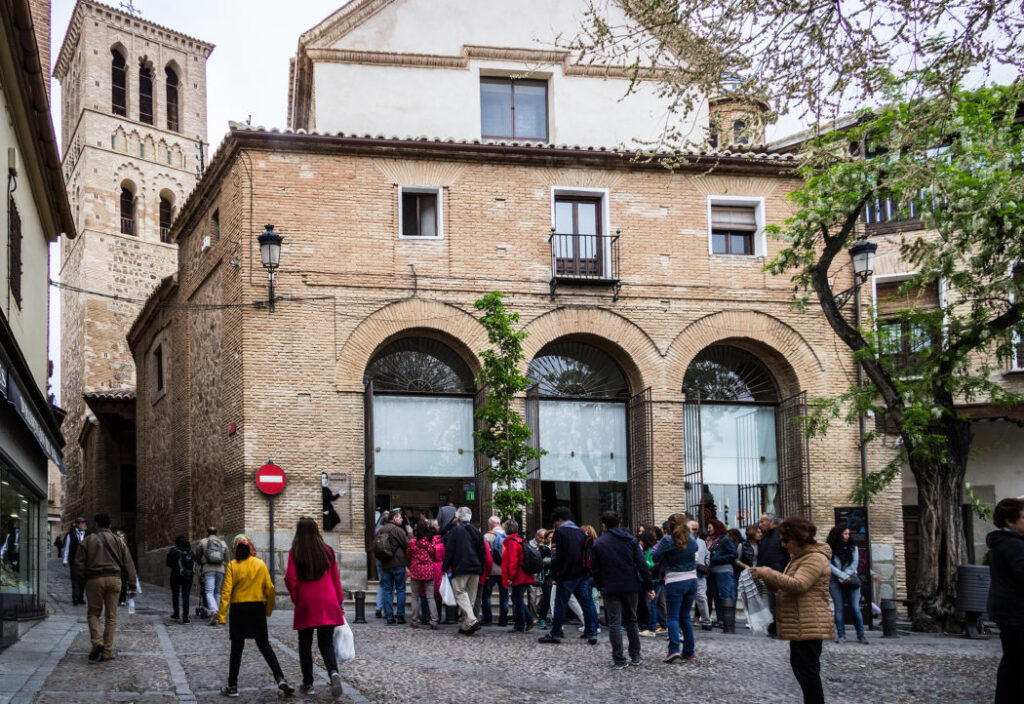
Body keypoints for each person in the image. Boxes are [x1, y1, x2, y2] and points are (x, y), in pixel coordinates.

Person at [748, 517, 833, 704]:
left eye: (786, 540)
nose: (783, 544)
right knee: (802, 669)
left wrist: (769, 573)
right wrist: (764, 580)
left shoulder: (814, 558)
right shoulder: (799, 558)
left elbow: (799, 585)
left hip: (809, 622)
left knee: (808, 672)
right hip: (800, 622)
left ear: (799, 539)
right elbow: (786, 586)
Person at [217, 535, 294, 697]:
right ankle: (280, 677)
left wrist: (222, 616)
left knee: (237, 648)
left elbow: (226, 592)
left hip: (238, 610)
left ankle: (232, 686)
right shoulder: (259, 564)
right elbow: (270, 589)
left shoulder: (232, 565)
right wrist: (268, 610)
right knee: (264, 645)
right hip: (257, 609)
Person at [284, 518, 344, 698]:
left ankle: (308, 683)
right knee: (326, 643)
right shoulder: (328, 551)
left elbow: (290, 579)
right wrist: (340, 602)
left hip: (307, 602)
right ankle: (333, 673)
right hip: (328, 600)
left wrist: (296, 598)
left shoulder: (296, 552)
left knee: (305, 644)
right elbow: (335, 579)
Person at [590, 510, 653, 669]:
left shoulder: (599, 543)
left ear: (604, 525)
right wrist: (649, 586)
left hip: (610, 587)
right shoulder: (631, 541)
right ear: (619, 523)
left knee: (615, 623)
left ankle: (619, 658)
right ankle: (636, 655)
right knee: (632, 620)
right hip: (631, 585)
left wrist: (599, 586)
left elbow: (595, 570)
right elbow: (642, 564)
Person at [74, 512, 137, 662]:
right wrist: (132, 585)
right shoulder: (118, 541)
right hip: (115, 580)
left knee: (93, 614)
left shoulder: (88, 540)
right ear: (109, 525)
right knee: (111, 616)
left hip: (94, 580)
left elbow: (78, 563)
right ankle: (107, 650)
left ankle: (97, 641)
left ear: (96, 524)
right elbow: (129, 564)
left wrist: (84, 580)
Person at [538, 507, 600, 645]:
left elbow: (555, 555)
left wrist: (555, 575)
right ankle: (592, 632)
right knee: (587, 602)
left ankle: (555, 634)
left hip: (566, 574)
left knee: (560, 604)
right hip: (582, 573)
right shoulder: (581, 532)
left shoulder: (560, 532)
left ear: (559, 520)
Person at [987, 497, 1024, 703]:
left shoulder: (1004, 542)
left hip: (1008, 610)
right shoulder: (1013, 545)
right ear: (1010, 521)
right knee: (1016, 663)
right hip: (1017, 612)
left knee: (1012, 661)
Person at [653, 514, 699, 663]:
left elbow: (656, 557)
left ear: (670, 526)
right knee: (685, 616)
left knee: (672, 617)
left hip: (675, 580)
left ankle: (674, 650)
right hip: (692, 579)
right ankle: (689, 650)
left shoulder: (667, 540)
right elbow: (695, 548)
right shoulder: (691, 539)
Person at [441, 506, 486, 635]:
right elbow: (482, 551)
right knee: (470, 597)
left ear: (458, 517)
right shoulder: (476, 531)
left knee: (460, 592)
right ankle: (466, 626)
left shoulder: (456, 531)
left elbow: (449, 551)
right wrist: (481, 567)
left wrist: (445, 568)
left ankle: (471, 620)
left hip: (461, 567)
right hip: (475, 568)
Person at [826, 524, 867, 644]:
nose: (847, 536)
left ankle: (861, 635)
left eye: (849, 534)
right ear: (838, 534)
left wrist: (847, 575)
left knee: (855, 608)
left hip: (851, 579)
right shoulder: (829, 548)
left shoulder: (853, 547)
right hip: (835, 580)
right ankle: (841, 634)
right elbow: (828, 564)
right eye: (845, 533)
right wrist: (842, 576)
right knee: (839, 608)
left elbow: (855, 563)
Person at [500, 518, 536, 632]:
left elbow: (512, 561)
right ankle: (529, 619)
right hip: (524, 575)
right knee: (517, 599)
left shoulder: (511, 542)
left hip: (518, 576)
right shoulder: (519, 540)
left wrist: (510, 577)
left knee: (517, 600)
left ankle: (521, 624)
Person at [757, 512, 789, 635]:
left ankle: (779, 627)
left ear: (771, 522)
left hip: (778, 574)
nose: (760, 524)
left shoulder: (780, 536)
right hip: (767, 575)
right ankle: (774, 627)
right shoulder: (766, 537)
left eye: (762, 521)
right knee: (772, 603)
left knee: (778, 603)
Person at [375, 510, 410, 624]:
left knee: (387, 590)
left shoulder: (381, 530)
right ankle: (400, 616)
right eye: (400, 518)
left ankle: (389, 617)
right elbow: (407, 545)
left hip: (385, 563)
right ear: (394, 518)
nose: (402, 520)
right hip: (398, 563)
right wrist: (409, 534)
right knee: (400, 590)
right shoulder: (397, 530)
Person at [406, 520, 439, 629]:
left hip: (416, 571)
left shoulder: (412, 542)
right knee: (430, 597)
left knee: (415, 596)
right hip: (429, 570)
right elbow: (434, 555)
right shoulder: (431, 542)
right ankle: (434, 621)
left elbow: (408, 555)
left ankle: (415, 621)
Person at [707, 519, 738, 623]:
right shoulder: (713, 540)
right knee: (716, 596)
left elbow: (734, 554)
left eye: (710, 527)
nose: (708, 530)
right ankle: (720, 619)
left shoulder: (725, 540)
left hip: (724, 571)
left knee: (725, 595)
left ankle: (728, 619)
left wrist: (718, 558)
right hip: (713, 572)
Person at [196, 527, 229, 625]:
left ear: (207, 533)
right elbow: (227, 558)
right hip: (220, 569)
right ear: (216, 533)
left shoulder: (203, 542)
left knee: (209, 591)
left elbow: (197, 555)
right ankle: (217, 612)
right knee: (218, 591)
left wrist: (201, 564)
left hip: (208, 569)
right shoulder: (222, 543)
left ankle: (213, 611)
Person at [482, 516, 509, 627]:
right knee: (504, 596)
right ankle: (503, 620)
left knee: (486, 595)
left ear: (491, 524)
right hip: (504, 570)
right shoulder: (507, 535)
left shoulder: (488, 536)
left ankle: (488, 619)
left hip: (492, 571)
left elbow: (486, 556)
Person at [638, 531, 666, 636]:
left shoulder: (651, 550)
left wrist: (643, 563)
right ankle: (663, 624)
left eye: (641, 541)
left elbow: (651, 564)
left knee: (651, 604)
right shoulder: (651, 549)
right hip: (655, 579)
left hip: (654, 580)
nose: (640, 543)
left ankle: (651, 629)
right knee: (653, 604)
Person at [688, 519, 713, 631]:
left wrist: (705, 565)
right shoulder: (683, 541)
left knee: (702, 598)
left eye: (696, 529)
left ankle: (706, 620)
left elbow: (708, 554)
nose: (695, 531)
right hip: (687, 573)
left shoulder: (701, 542)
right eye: (693, 529)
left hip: (700, 574)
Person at [166, 535, 196, 624]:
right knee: (185, 596)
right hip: (188, 576)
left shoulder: (173, 551)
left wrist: (175, 566)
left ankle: (176, 613)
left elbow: (168, 563)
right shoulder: (190, 552)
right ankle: (185, 617)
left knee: (175, 594)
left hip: (175, 576)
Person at [62, 517, 89, 605]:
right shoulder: (71, 534)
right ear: (77, 525)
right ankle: (75, 597)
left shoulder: (87, 534)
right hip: (74, 560)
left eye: (84, 523)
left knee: (83, 580)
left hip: (84, 561)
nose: (83, 525)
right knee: (75, 579)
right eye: (81, 523)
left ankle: (81, 597)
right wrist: (65, 560)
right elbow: (67, 548)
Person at [529, 529, 552, 627]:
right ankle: (534, 618)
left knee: (546, 597)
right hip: (534, 575)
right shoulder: (530, 545)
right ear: (536, 536)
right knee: (532, 597)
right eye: (541, 537)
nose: (542, 540)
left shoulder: (549, 547)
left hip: (546, 576)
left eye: (544, 538)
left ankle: (541, 616)